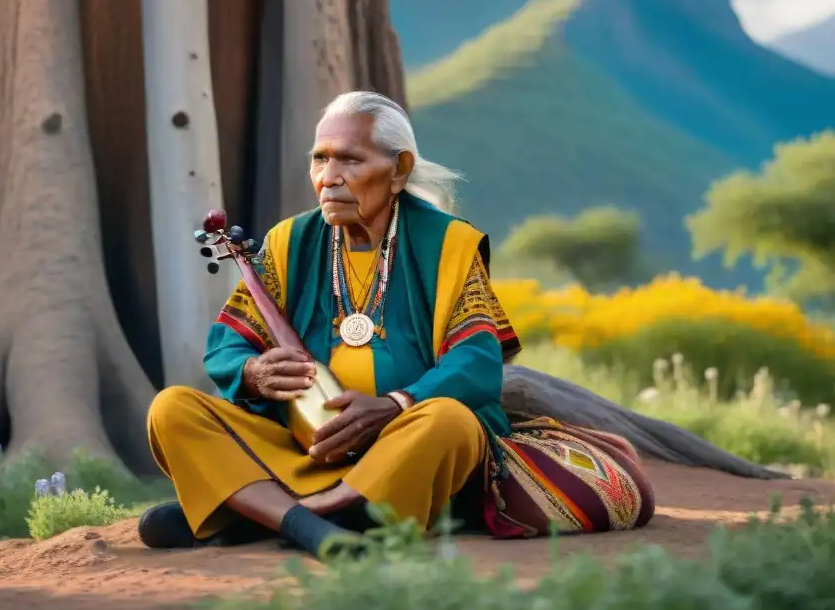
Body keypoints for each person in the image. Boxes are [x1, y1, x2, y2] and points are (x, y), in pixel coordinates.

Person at [141, 91, 654, 559]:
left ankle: (260, 510)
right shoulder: (287, 242)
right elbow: (227, 346)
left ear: (400, 169)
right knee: (173, 409)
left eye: (350, 159)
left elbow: (477, 362)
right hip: (304, 446)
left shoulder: (449, 245)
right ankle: (320, 521)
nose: (328, 177)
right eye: (320, 159)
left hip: (403, 446)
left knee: (448, 421)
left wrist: (393, 406)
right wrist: (253, 373)